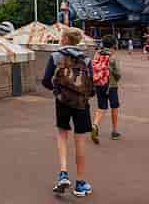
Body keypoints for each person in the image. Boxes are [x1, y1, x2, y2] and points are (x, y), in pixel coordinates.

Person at [42, 27, 94, 197]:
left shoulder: (56, 56)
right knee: (80, 141)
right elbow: (92, 86)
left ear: (65, 39)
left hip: (62, 102)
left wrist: (57, 91)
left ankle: (63, 174)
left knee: (62, 135)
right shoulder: (86, 59)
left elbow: (46, 80)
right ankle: (80, 183)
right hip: (81, 104)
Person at [90, 36, 122, 144]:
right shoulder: (112, 57)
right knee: (114, 107)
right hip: (111, 86)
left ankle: (95, 125)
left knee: (101, 107)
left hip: (99, 84)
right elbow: (118, 73)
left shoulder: (97, 54)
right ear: (113, 45)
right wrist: (116, 78)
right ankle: (114, 131)